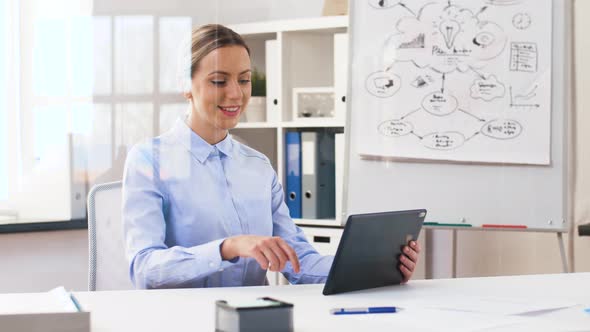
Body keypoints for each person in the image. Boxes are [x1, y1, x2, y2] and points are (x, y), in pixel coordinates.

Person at [122, 24, 421, 289]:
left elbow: (297, 260)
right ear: (186, 85)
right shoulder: (149, 160)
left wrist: (373, 268)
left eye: (244, 80)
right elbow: (144, 269)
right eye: (218, 81)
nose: (236, 94)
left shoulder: (257, 166)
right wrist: (228, 247)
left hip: (254, 320)